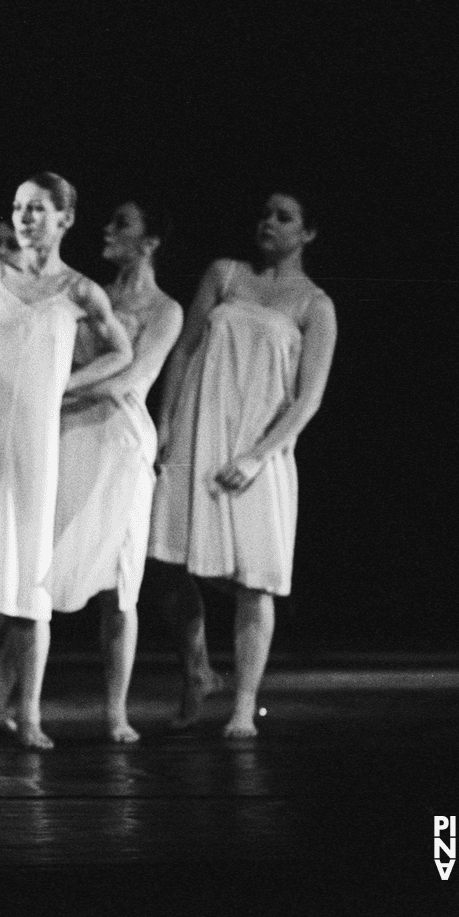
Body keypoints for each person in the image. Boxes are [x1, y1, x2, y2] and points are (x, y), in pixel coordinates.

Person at [0, 174, 132, 750]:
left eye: (37, 209)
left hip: (34, 441)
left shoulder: (82, 291)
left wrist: (64, 385)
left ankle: (29, 714)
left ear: (65, 218)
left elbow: (123, 351)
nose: (24, 218)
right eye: (17, 208)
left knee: (28, 579)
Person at [149, 190, 337, 738]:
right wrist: (166, 422)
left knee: (256, 579)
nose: (269, 223)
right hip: (199, 430)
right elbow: (184, 349)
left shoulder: (314, 305)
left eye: (284, 217)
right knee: (167, 561)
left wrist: (258, 456)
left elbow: (309, 398)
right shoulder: (225, 274)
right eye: (264, 214)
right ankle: (197, 669)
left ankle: (243, 704)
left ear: (308, 233)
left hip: (262, 449)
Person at [46, 199, 183, 743]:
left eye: (122, 222)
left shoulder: (166, 309)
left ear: (149, 241)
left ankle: (115, 711)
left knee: (120, 582)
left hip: (120, 441)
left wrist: (53, 392)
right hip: (67, 434)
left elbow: (133, 377)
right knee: (41, 560)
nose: (108, 228)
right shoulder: (88, 295)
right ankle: (11, 701)